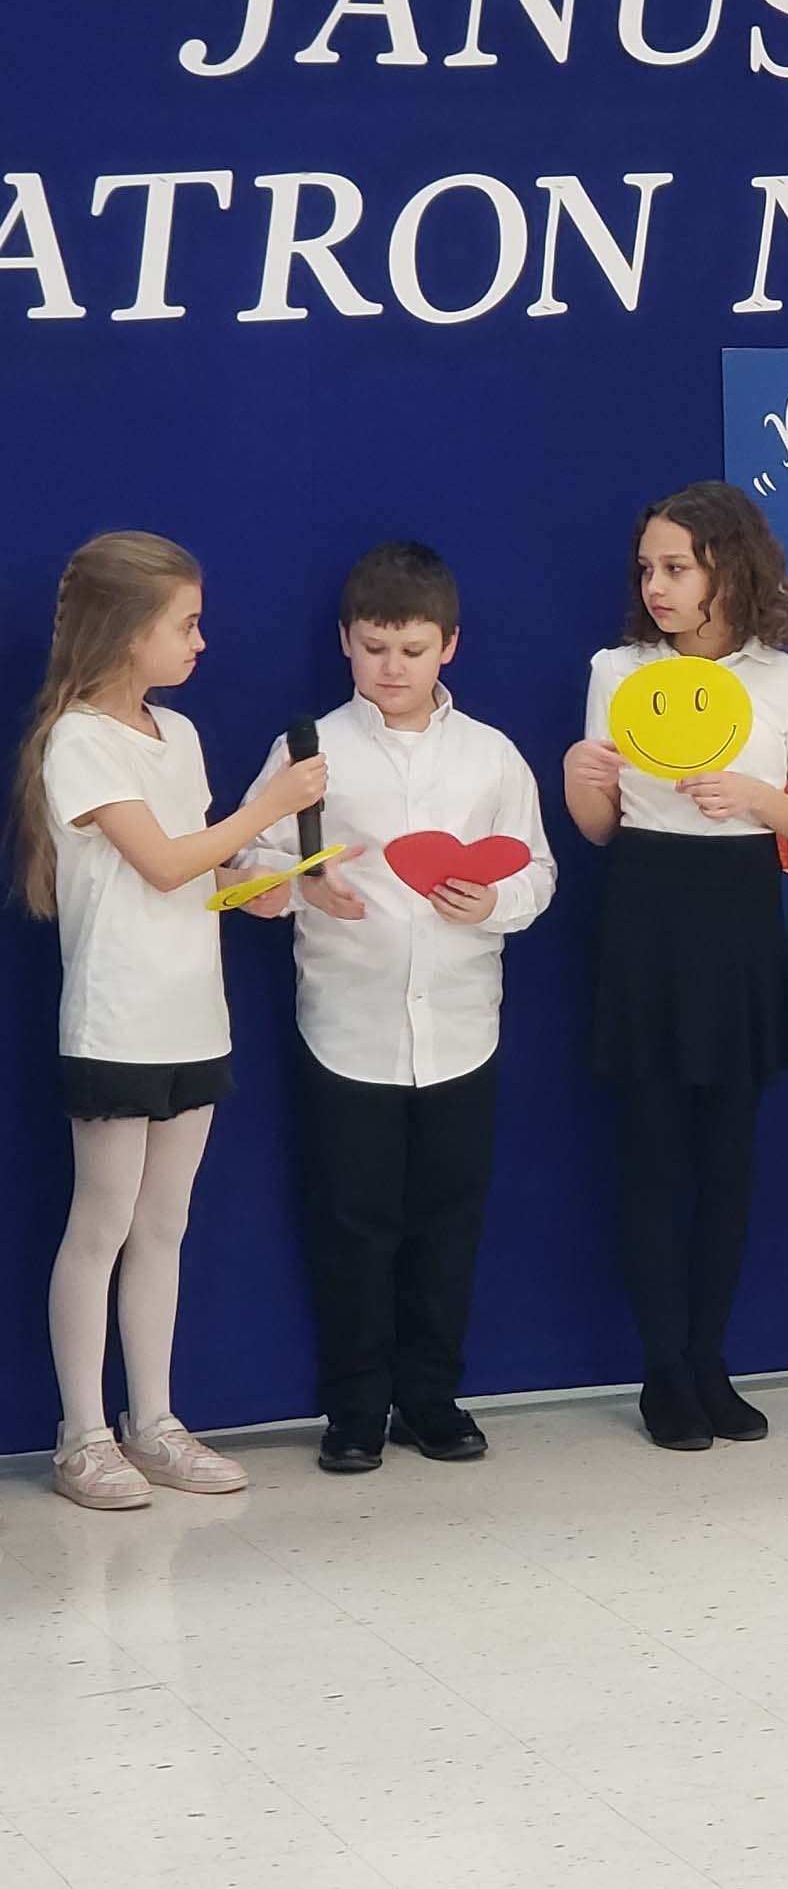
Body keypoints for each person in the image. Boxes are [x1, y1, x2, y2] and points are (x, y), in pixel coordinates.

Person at [13, 530, 324, 1509]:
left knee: (164, 1223)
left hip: (195, 1017)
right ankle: (82, 1434)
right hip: (118, 1021)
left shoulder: (176, 733)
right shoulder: (79, 741)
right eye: (185, 624)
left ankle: (154, 1420)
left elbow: (199, 863)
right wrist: (270, 807)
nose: (200, 641)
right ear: (125, 630)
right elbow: (158, 862)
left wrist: (257, 886)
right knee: (100, 1222)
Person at [242, 541, 554, 1473]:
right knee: (352, 1226)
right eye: (374, 647)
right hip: (347, 1028)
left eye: (412, 650)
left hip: (462, 1029)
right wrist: (298, 888)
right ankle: (354, 1409)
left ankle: (431, 1398)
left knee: (448, 1225)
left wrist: (493, 901)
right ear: (345, 640)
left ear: (448, 645)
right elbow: (249, 864)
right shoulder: (309, 753)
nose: (392, 668)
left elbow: (537, 872)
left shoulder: (491, 756)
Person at [564, 482, 788, 1452]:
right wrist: (580, 780)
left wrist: (753, 795)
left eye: (676, 566)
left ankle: (711, 1361)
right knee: (651, 1153)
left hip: (738, 915)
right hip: (646, 907)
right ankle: (662, 1372)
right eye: (648, 568)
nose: (657, 585)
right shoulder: (618, 670)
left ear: (730, 566)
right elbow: (600, 828)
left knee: (727, 1156)